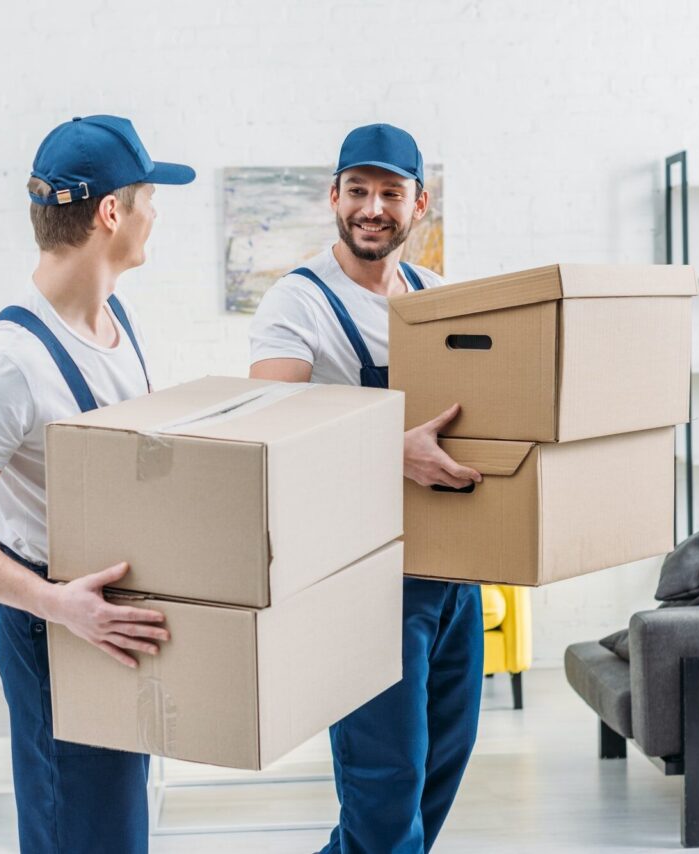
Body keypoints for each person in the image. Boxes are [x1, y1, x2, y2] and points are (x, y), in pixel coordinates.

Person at [0, 114, 194, 854]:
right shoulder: (11, 362)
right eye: (149, 197)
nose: (156, 212)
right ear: (110, 213)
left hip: (106, 624)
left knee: (118, 835)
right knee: (82, 838)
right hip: (54, 627)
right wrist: (57, 606)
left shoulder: (112, 323)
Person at [249, 123, 484, 853]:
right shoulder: (299, 304)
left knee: (437, 774)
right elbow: (266, 430)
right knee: (385, 798)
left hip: (452, 575)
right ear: (334, 197)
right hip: (362, 583)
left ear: (421, 204)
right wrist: (389, 449)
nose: (372, 208)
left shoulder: (439, 298)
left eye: (390, 192)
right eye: (358, 190)